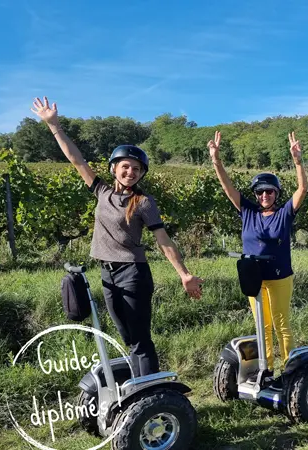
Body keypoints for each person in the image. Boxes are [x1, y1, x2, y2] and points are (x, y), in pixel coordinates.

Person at [31, 96, 203, 377]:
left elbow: (163, 240)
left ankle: (149, 394)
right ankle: (140, 389)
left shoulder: (144, 202)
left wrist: (184, 273)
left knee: (140, 339)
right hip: (107, 274)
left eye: (136, 169)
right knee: (127, 338)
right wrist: (54, 126)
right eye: (125, 166)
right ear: (114, 168)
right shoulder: (102, 192)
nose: (130, 172)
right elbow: (76, 159)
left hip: (133, 274)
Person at [208, 130, 306, 383]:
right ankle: (267, 368)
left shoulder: (284, 213)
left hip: (279, 277)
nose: (265, 196)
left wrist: (297, 161)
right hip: (254, 278)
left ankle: (290, 369)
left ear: (276, 194)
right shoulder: (247, 211)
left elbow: (302, 188)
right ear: (255, 194)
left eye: (270, 192)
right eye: (261, 192)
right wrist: (216, 160)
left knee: (281, 323)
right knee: (261, 326)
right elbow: (226, 186)